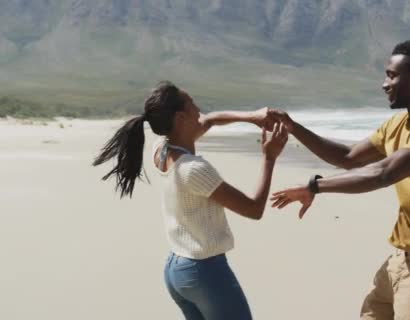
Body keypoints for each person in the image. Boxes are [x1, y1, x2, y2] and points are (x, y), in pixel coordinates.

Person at [269, 40, 410, 320]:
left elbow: (383, 173)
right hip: (401, 258)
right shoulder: (398, 124)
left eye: (392, 75)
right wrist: (293, 128)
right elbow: (349, 157)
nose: (384, 84)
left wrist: (315, 186)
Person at [93, 81, 287, 320]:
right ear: (181, 117)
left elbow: (212, 119)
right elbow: (254, 209)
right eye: (193, 104)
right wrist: (269, 158)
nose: (199, 109)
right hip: (205, 272)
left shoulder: (161, 149)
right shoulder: (193, 169)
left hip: (177, 270)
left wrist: (252, 117)